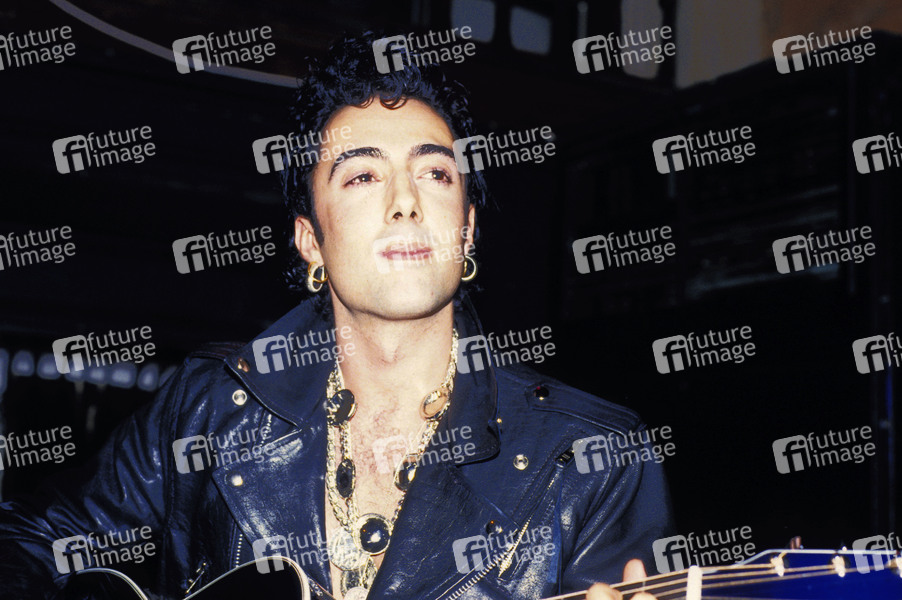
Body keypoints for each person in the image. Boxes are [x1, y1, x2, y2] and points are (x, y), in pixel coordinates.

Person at [0, 33, 672, 600]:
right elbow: (29, 538)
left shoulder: (592, 460)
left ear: (467, 231)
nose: (405, 201)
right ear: (310, 241)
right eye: (362, 176)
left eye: (436, 173)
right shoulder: (208, 407)